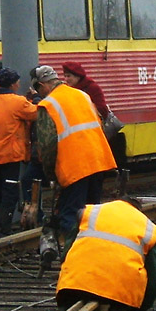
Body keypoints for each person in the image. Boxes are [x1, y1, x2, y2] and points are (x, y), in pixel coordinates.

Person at [32, 65, 118, 250]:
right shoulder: (82, 95)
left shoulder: (48, 105)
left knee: (70, 214)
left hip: (75, 166)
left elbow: (47, 146)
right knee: (91, 213)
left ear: (42, 85)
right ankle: (93, 251)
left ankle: (72, 256)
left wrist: (51, 175)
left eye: (39, 90)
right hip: (98, 160)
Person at [56, 198, 156, 311]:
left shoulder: (91, 212)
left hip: (75, 281)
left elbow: (66, 252)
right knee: (136, 270)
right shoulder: (148, 228)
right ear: (138, 210)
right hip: (120, 292)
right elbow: (154, 281)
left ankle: (67, 301)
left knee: (75, 266)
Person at [0, 68, 39, 239]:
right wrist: (35, 99)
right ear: (12, 84)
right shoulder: (18, 102)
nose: (19, 83)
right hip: (10, 155)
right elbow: (35, 113)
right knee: (9, 193)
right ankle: (5, 230)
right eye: (17, 81)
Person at [61, 61, 126, 169]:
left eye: (69, 76)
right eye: (65, 76)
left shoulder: (91, 88)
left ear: (78, 76)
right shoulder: (68, 90)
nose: (66, 79)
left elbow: (102, 109)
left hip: (91, 130)